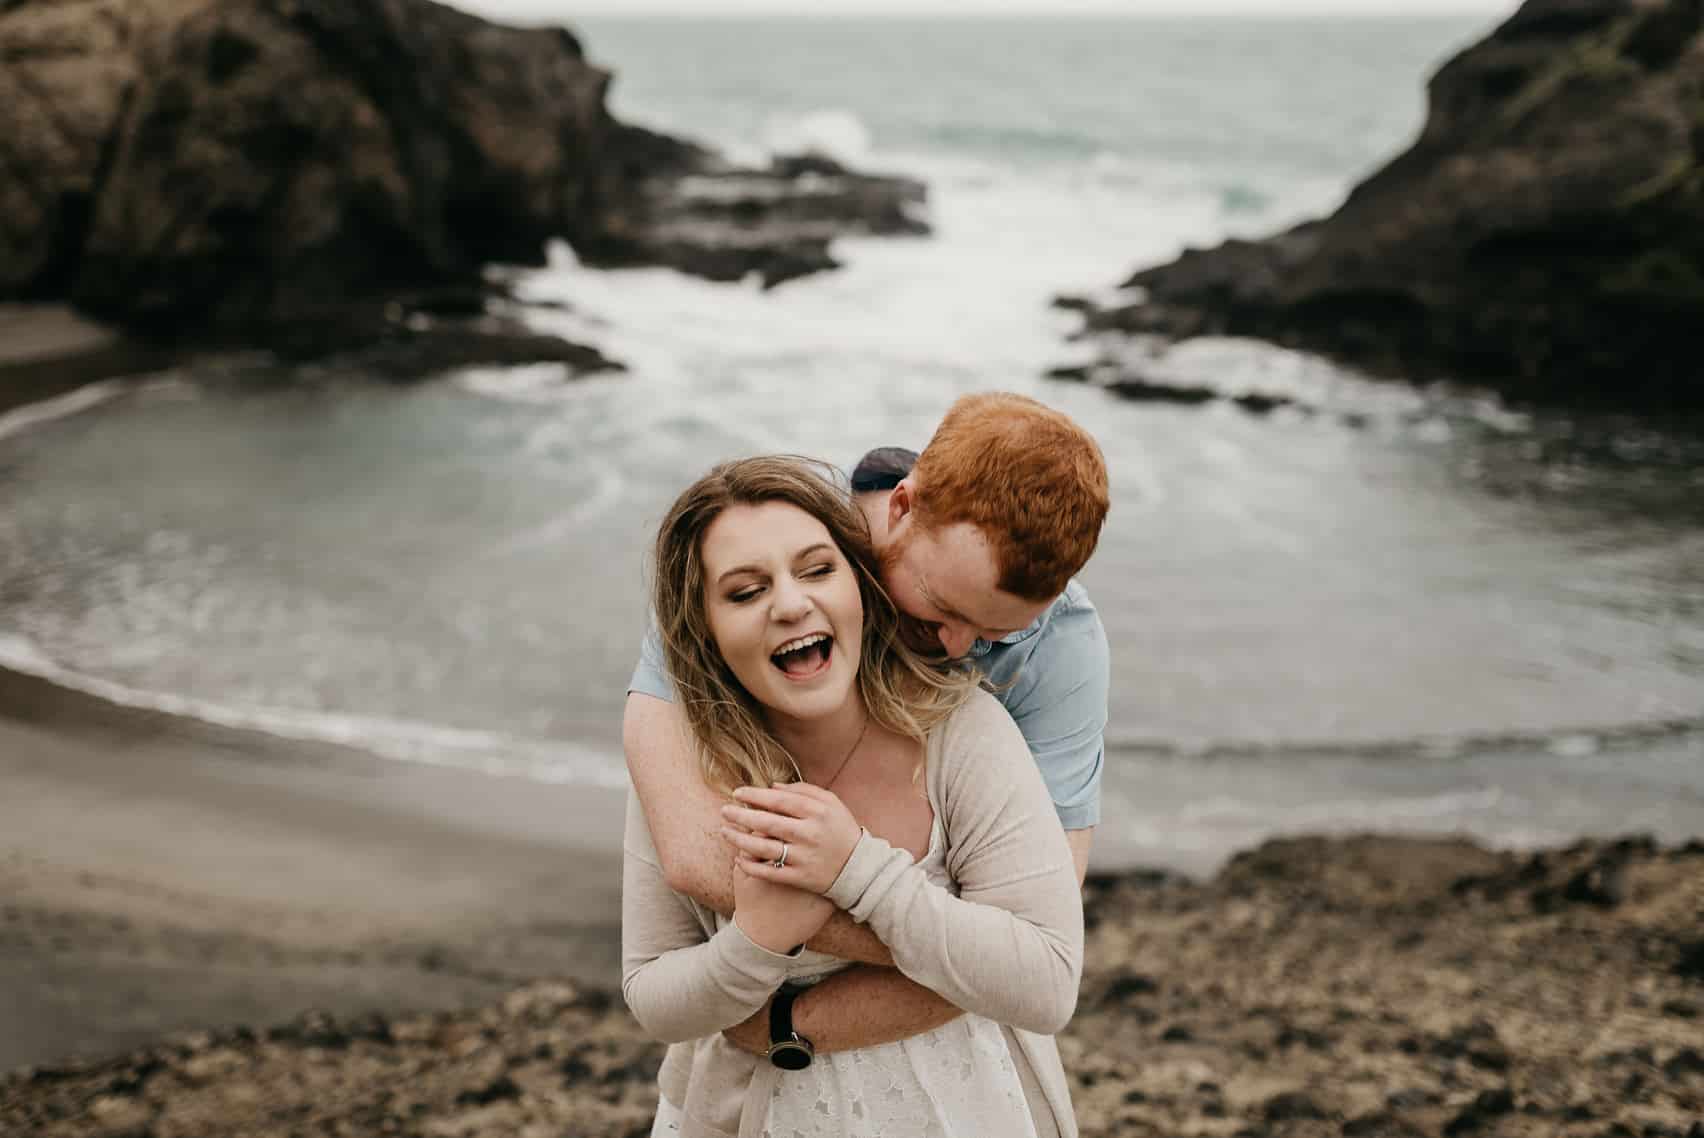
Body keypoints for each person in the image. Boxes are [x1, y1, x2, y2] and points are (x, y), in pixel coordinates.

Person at [625, 392, 1111, 1057]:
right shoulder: (768, 559)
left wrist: (787, 1029)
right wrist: (935, 937)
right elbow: (691, 859)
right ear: (902, 508)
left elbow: (1040, 950)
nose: (959, 649)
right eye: (939, 608)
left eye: (997, 634)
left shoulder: (1060, 652)